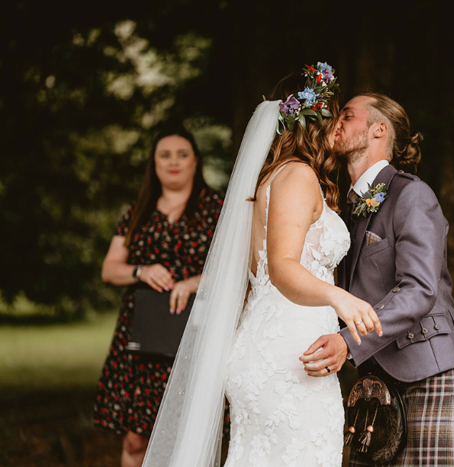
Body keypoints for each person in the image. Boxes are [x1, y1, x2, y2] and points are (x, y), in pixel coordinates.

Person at [141, 63, 381, 467]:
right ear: (312, 122)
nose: (338, 127)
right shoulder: (297, 176)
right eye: (334, 116)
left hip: (276, 347)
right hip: (289, 356)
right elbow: (282, 268)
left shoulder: (271, 180)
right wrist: (340, 298)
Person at [300, 93, 454, 466]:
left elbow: (419, 290)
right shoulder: (344, 206)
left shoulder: (411, 194)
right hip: (378, 377)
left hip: (428, 368)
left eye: (347, 115)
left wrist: (347, 342)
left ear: (379, 129)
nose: (336, 123)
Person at [94, 126, 224, 467]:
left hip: (195, 336)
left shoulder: (217, 209)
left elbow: (237, 270)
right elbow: (110, 270)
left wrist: (195, 282)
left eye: (182, 154)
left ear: (196, 162)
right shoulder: (138, 211)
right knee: (136, 439)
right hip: (142, 339)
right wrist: (140, 271)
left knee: (188, 439)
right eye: (165, 155)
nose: (174, 162)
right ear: (154, 164)